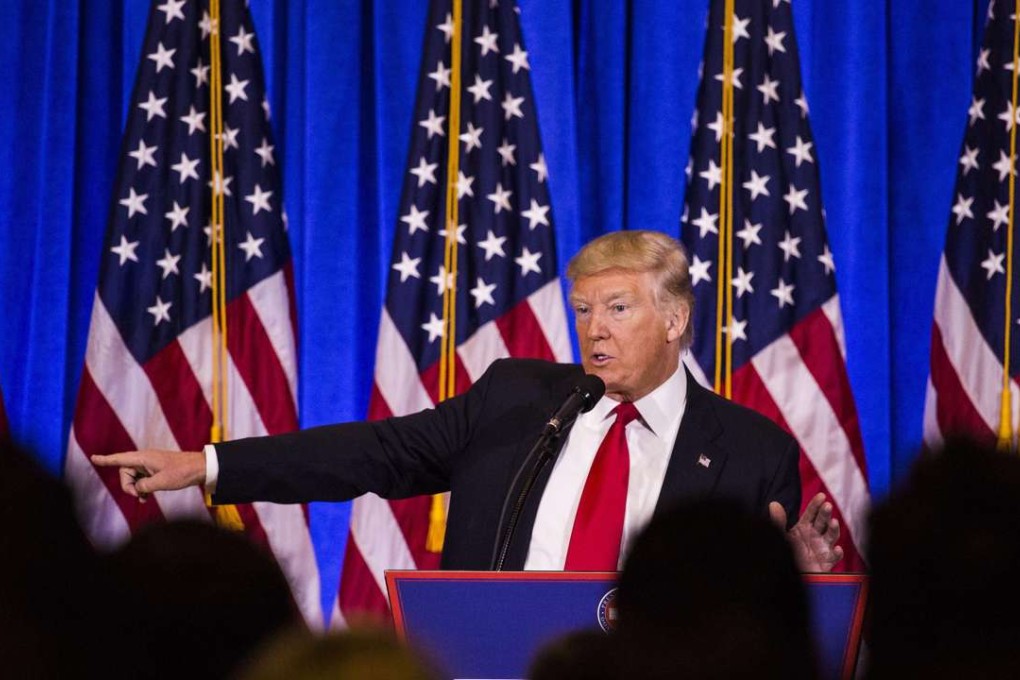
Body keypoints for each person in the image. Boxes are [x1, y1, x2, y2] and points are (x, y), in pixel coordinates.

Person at [93, 230, 842, 572]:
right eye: (583, 310)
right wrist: (208, 464)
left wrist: (807, 589)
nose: (593, 330)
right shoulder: (521, 398)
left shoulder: (753, 451)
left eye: (618, 309)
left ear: (675, 319)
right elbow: (374, 453)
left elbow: (762, 635)